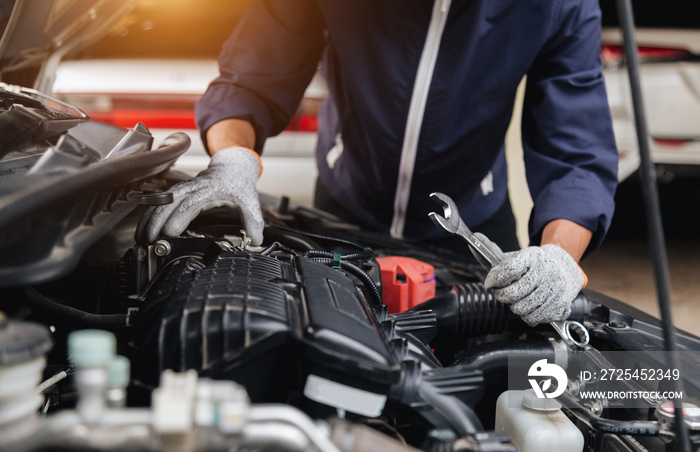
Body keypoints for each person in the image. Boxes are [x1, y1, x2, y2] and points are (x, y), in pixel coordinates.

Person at [143, 0, 618, 327]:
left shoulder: (558, 4)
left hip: (473, 230)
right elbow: (250, 80)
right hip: (344, 213)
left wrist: (558, 256)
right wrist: (232, 159)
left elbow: (576, 155)